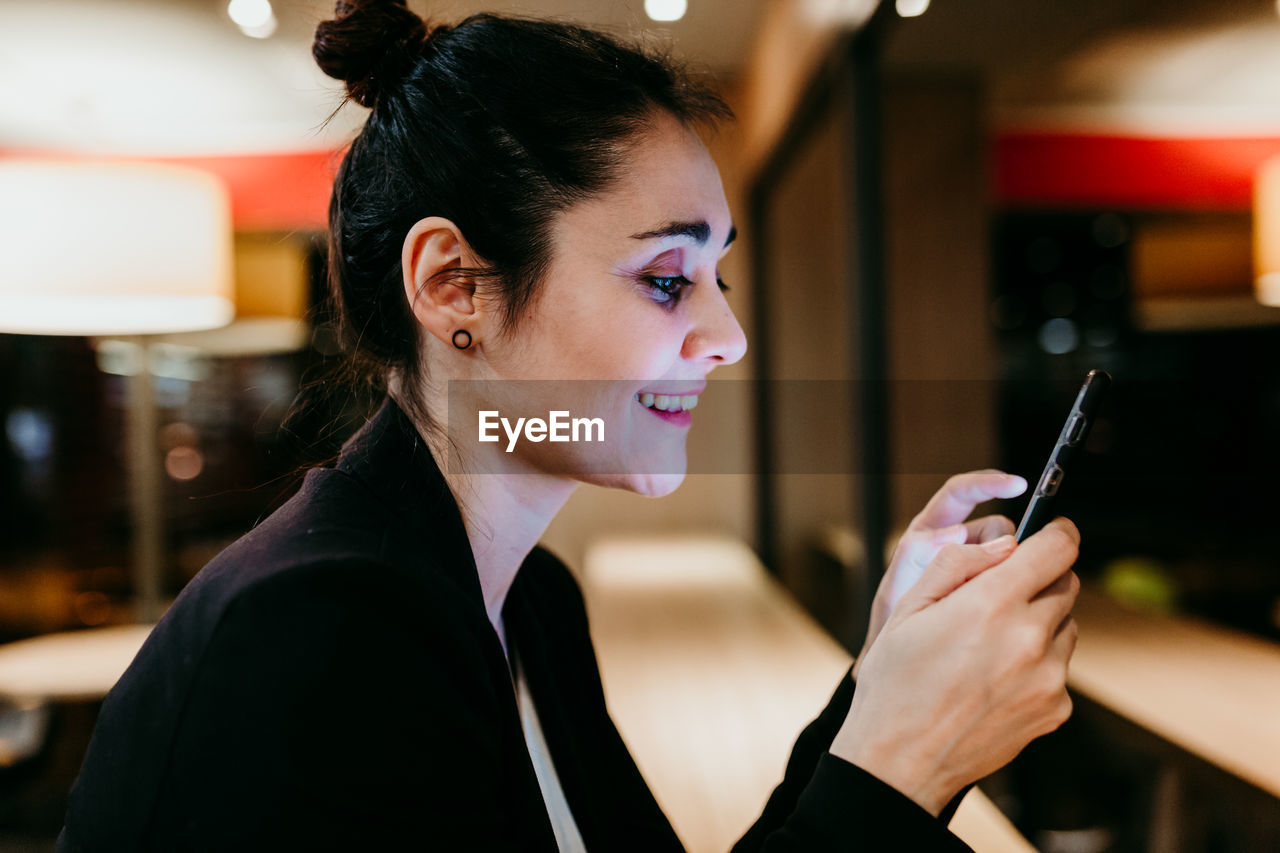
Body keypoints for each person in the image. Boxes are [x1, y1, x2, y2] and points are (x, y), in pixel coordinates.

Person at [56, 3, 1080, 850]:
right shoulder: (320, 633)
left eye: (714, 275)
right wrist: (901, 760)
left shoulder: (528, 601)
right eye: (666, 279)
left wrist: (890, 681)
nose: (726, 338)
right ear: (453, 285)